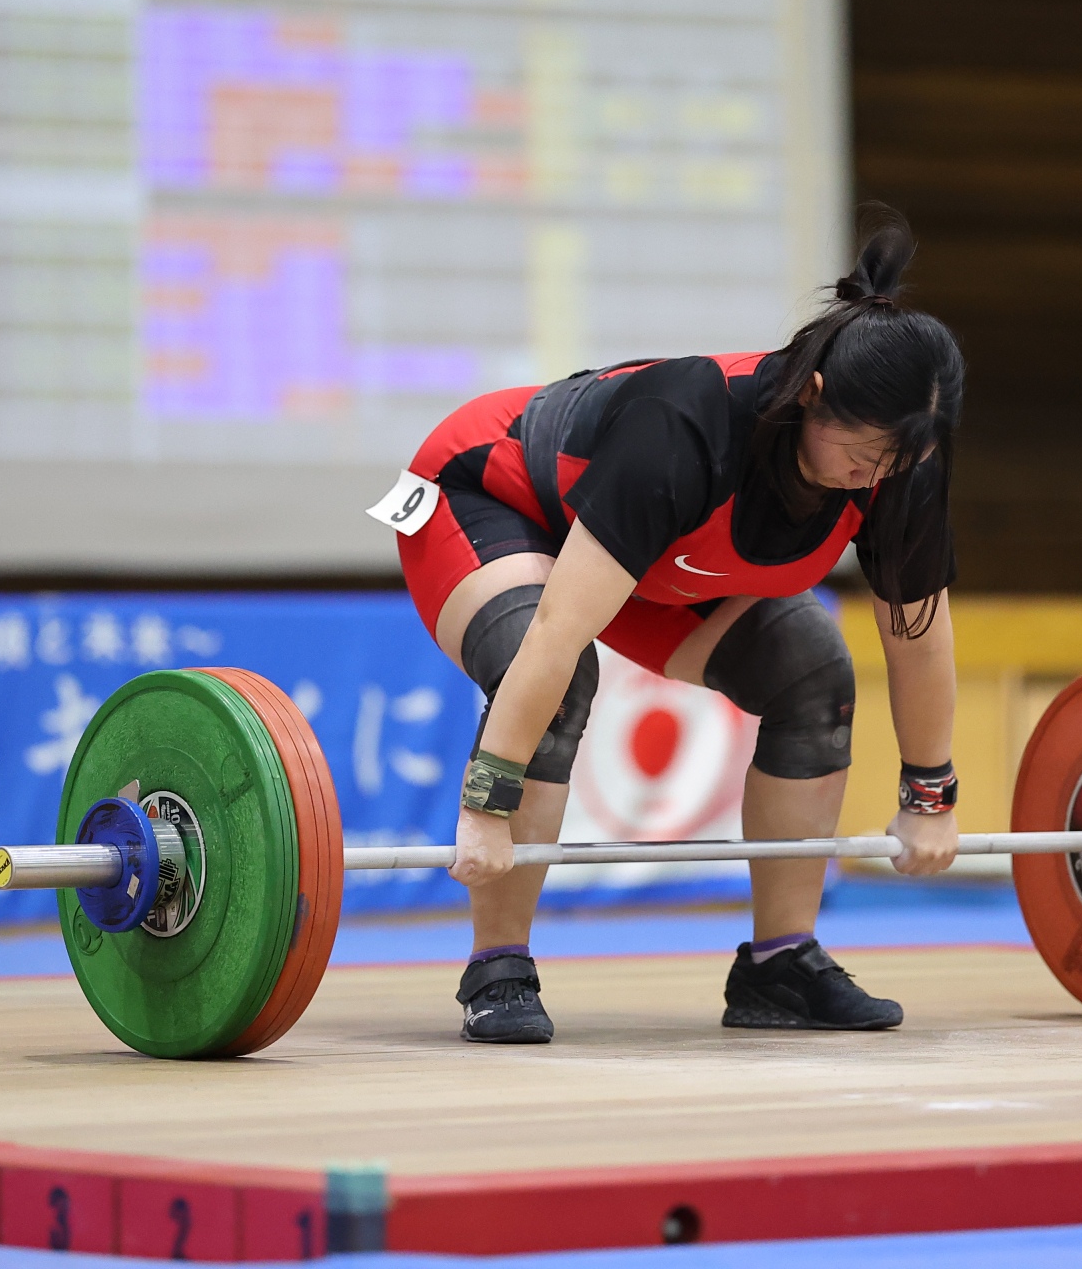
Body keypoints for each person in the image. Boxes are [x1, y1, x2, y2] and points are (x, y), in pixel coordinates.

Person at [383, 213, 965, 1043]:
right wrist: (485, 805)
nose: (878, 477)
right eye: (866, 455)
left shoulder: (901, 465)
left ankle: (780, 965)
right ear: (813, 394)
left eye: (900, 460)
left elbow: (918, 636)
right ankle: (498, 965)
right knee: (557, 677)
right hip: (488, 497)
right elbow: (555, 633)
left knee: (813, 673)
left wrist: (930, 796)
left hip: (650, 561)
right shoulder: (683, 425)